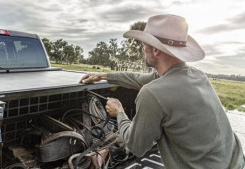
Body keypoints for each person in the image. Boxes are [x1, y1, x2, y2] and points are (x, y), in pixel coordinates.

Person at [80, 14, 245, 169]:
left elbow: (135, 146)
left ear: (156, 50)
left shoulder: (153, 93)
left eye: (145, 46)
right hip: (235, 162)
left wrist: (120, 113)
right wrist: (102, 75)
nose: (143, 50)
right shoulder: (198, 76)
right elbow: (138, 78)